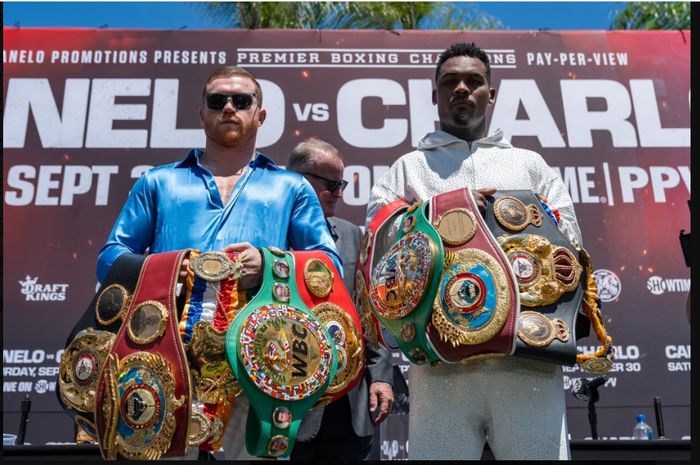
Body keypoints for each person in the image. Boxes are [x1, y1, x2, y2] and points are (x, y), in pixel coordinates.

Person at [97, 65, 342, 459]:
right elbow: (110, 258)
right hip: (165, 353)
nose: (229, 107)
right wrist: (170, 270)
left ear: (260, 115)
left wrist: (269, 265)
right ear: (202, 114)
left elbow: (328, 265)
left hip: (263, 356)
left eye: (241, 100)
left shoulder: (290, 186)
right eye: (218, 100)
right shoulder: (158, 182)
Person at [365, 42, 582, 460]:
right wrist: (449, 209)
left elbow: (569, 244)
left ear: (492, 93)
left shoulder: (529, 163)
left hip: (527, 362)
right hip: (440, 367)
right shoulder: (409, 167)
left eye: (474, 82)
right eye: (450, 82)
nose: (462, 89)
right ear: (435, 94)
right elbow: (379, 243)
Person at [287, 138, 395, 460]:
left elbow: (371, 312)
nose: (339, 192)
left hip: (349, 410)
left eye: (343, 183)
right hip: (288, 405)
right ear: (297, 180)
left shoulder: (351, 234)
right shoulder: (268, 233)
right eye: (332, 184)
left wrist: (381, 378)